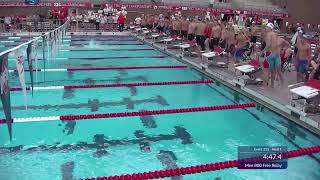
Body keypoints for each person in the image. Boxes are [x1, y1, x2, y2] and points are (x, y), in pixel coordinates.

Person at [263, 23, 284, 88]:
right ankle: (272, 85)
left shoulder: (269, 34)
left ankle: (265, 86)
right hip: (275, 54)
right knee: (274, 71)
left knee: (266, 70)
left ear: (270, 28)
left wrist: (263, 51)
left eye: (267, 27)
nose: (266, 28)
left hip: (270, 54)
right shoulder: (275, 35)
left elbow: (268, 44)